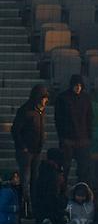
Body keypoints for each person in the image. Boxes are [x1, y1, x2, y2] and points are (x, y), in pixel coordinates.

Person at [12, 84, 50, 216]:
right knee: (26, 180)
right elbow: (15, 130)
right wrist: (23, 147)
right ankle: (24, 206)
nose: (46, 101)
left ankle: (32, 206)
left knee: (34, 179)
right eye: (44, 98)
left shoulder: (41, 111)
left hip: (36, 151)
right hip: (26, 152)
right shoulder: (25, 110)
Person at [54, 75, 92, 185]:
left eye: (80, 85)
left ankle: (82, 190)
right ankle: (62, 190)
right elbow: (58, 119)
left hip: (83, 139)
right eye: (76, 85)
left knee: (83, 169)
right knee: (65, 167)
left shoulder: (86, 98)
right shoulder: (63, 98)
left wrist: (88, 136)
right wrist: (62, 136)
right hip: (67, 139)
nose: (78, 88)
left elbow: (89, 118)